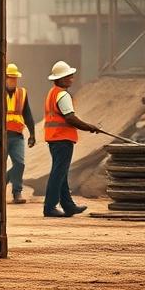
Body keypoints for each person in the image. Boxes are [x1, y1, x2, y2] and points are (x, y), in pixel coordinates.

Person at [43, 60, 102, 218]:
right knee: (58, 174)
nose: (71, 79)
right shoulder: (63, 95)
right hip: (62, 139)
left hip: (54, 138)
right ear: (60, 79)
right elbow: (70, 118)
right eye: (68, 76)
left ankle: (68, 206)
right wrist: (90, 127)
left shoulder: (52, 93)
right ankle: (50, 207)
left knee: (61, 173)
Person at [5, 63, 36, 204]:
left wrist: (32, 134)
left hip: (17, 136)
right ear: (4, 78)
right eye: (10, 78)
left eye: (15, 78)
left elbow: (27, 114)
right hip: (2, 136)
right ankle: (2, 189)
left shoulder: (22, 93)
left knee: (20, 164)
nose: (13, 81)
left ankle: (16, 191)